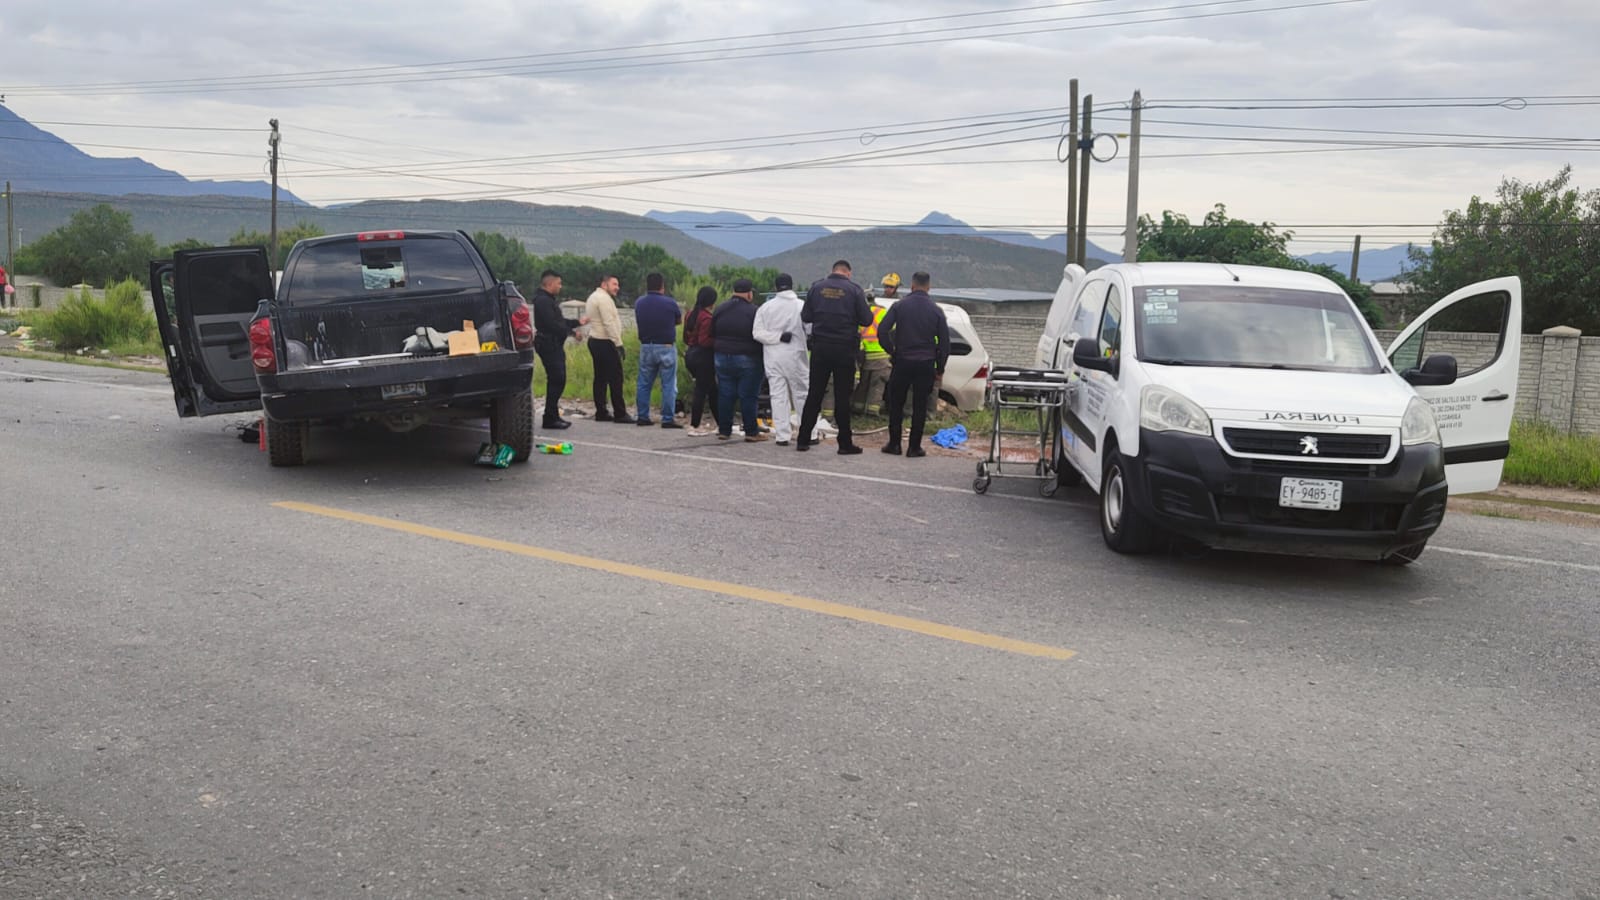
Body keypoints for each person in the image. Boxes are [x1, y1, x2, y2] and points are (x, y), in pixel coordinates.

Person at [797, 260, 872, 454]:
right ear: (848, 273)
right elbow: (866, 319)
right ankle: (844, 444)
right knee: (842, 397)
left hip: (820, 348)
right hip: (844, 349)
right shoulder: (855, 291)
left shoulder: (816, 287)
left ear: (833, 271)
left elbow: (805, 316)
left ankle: (803, 440)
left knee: (814, 394)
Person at [878, 271, 950, 459]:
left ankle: (894, 444)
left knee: (896, 404)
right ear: (928, 287)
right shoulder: (936, 310)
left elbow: (882, 331)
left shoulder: (899, 306)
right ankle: (914, 447)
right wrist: (940, 368)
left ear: (911, 286)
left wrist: (892, 351)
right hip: (925, 364)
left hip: (902, 361)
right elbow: (944, 344)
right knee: (920, 406)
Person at [751, 273, 808, 446]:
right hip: (796, 357)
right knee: (802, 395)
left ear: (775, 287)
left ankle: (782, 435)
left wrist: (777, 337)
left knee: (778, 396)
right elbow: (811, 329)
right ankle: (808, 432)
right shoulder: (802, 306)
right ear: (792, 286)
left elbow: (757, 333)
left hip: (773, 357)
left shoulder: (765, 308)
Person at [711, 278, 766, 442]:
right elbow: (759, 334)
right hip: (747, 357)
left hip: (721, 357)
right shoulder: (754, 311)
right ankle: (751, 432)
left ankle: (724, 430)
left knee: (725, 394)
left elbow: (712, 331)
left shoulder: (720, 309)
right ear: (750, 293)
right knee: (748, 395)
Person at [531, 269, 587, 430]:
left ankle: (553, 415)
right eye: (558, 283)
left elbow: (560, 321)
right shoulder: (543, 301)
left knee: (558, 379)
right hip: (548, 344)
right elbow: (551, 325)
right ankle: (549, 417)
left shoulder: (548, 300)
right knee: (557, 378)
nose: (560, 286)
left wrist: (577, 323)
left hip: (553, 344)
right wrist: (571, 333)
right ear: (549, 283)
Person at [632, 272, 683, 428]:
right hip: (666, 347)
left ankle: (642, 416)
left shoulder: (639, 303)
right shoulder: (670, 303)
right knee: (668, 384)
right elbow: (678, 321)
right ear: (662, 286)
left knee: (644, 383)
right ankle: (667, 418)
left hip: (646, 346)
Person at [585, 274, 633, 423]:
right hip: (605, 341)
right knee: (616, 378)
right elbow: (608, 323)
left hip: (594, 340)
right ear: (605, 284)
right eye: (614, 284)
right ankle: (620, 413)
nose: (617, 287)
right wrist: (618, 343)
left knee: (600, 378)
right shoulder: (604, 299)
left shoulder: (593, 296)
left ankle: (601, 411)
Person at [852, 272, 898, 415]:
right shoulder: (884, 312)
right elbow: (894, 332)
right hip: (882, 357)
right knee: (877, 386)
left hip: (865, 356)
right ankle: (872, 413)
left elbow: (856, 335)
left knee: (863, 386)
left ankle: (857, 410)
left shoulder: (860, 314)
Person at [682, 286, 721, 435]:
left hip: (691, 355)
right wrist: (718, 341)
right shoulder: (707, 318)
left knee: (712, 391)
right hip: (704, 357)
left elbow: (686, 338)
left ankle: (721, 424)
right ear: (711, 302)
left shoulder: (690, 315)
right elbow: (705, 341)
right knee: (702, 391)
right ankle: (695, 425)